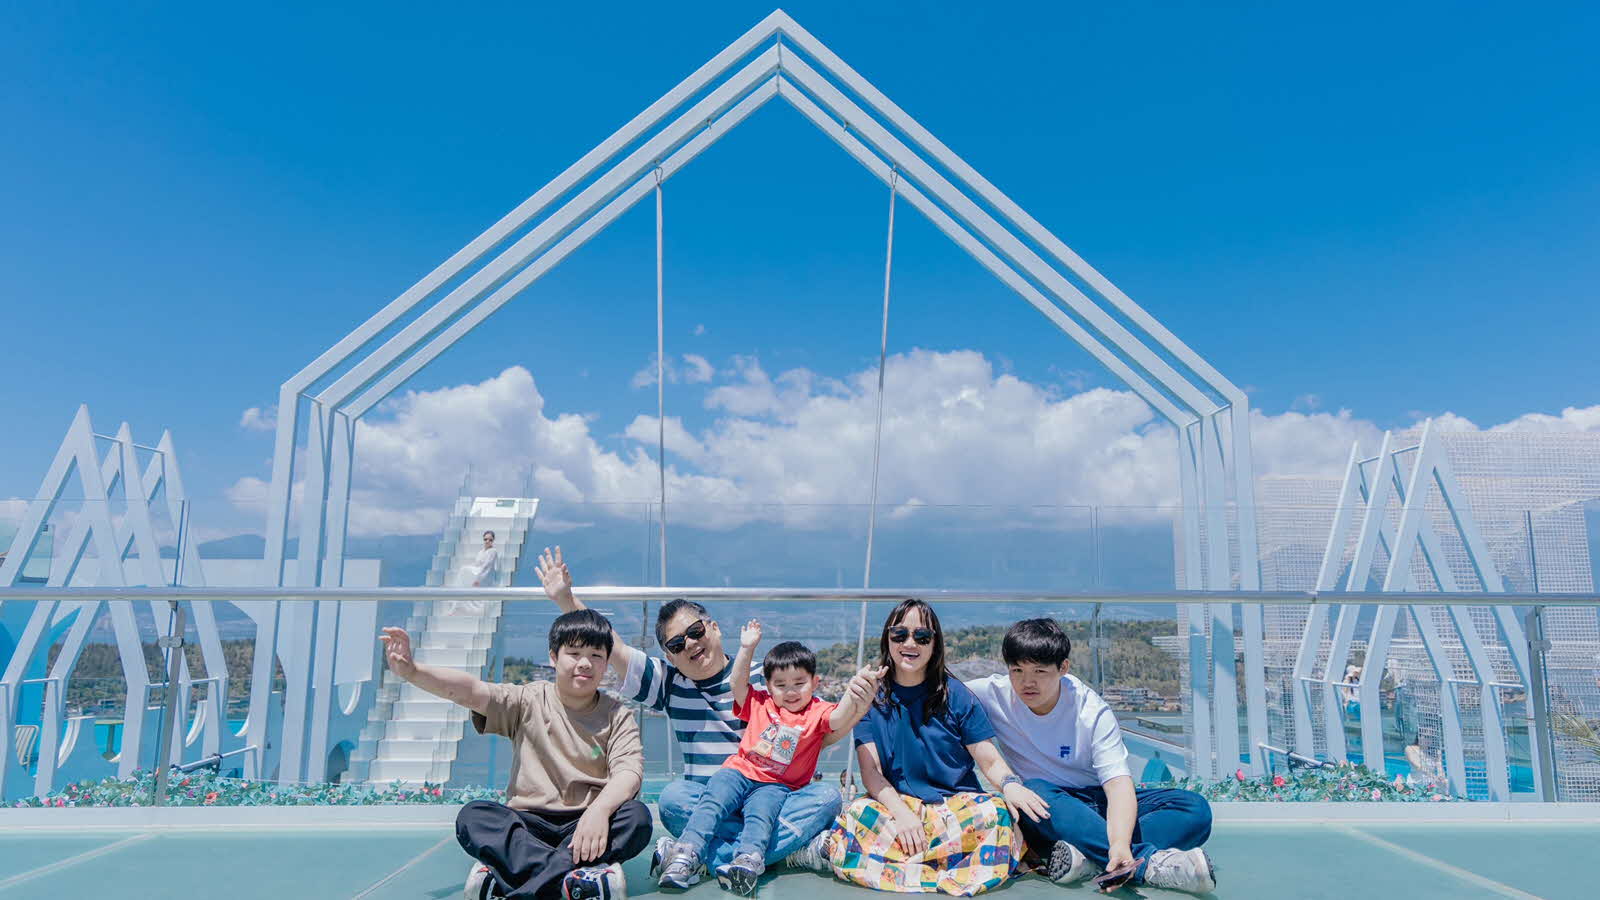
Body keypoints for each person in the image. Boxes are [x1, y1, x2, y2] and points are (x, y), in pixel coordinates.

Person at [533, 547, 845, 881]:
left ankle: (697, 853)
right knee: (673, 799)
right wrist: (566, 600)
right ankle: (777, 852)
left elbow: (815, 729)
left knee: (826, 797)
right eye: (677, 644)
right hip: (707, 804)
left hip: (771, 800)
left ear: (713, 628)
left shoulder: (764, 679)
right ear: (668, 656)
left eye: (695, 632)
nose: (691, 644)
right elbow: (615, 649)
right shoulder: (669, 684)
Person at [379, 609, 652, 900]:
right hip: (527, 824)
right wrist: (412, 671)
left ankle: (512, 880)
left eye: (596, 655)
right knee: (474, 817)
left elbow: (629, 772)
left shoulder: (616, 714)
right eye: (573, 653)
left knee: (636, 818)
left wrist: (599, 811)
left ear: (606, 662)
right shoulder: (527, 700)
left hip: (586, 826)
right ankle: (574, 879)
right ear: (553, 657)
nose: (585, 663)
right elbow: (469, 691)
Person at [790, 600, 1031, 897]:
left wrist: (1010, 784)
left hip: (954, 808)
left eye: (922, 637)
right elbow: (872, 773)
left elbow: (990, 761)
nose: (909, 643)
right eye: (899, 634)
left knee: (994, 813)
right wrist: (903, 815)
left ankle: (904, 867)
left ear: (935, 644)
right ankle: (952, 867)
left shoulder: (957, 696)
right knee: (857, 813)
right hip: (897, 806)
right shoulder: (871, 698)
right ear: (887, 640)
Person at [965, 618, 1215, 893]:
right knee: (1035, 790)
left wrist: (1120, 842)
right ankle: (1149, 865)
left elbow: (1118, 785)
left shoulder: (1091, 711)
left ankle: (1089, 857)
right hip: (1047, 809)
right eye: (1017, 670)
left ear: (1063, 668)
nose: (1027, 682)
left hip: (1097, 802)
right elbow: (936, 686)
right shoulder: (991, 693)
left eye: (1040, 671)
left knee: (1195, 810)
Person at [658, 621, 886, 895]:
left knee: (762, 817)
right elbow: (737, 682)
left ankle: (744, 860)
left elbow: (838, 718)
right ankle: (688, 853)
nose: (790, 692)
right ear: (768, 685)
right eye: (781, 685)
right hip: (738, 773)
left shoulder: (818, 711)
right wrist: (747, 648)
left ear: (815, 682)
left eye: (799, 684)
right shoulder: (759, 701)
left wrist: (856, 689)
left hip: (774, 786)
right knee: (707, 802)